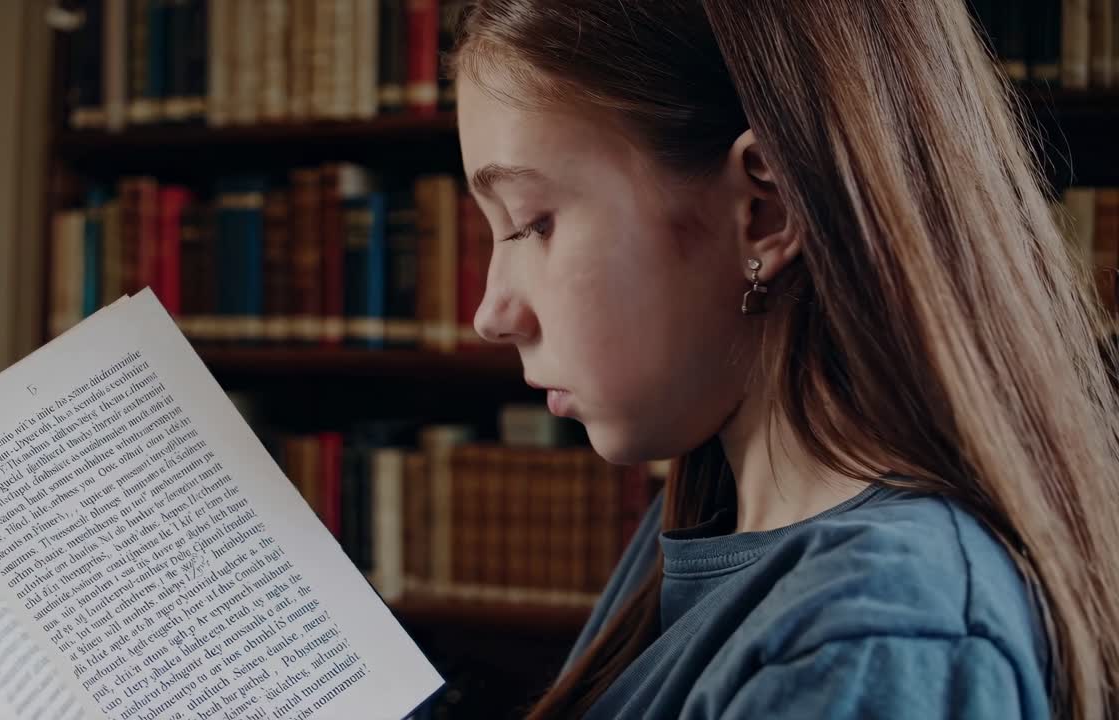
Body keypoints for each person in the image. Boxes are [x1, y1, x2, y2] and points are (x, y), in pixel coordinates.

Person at [451, 1, 1119, 719]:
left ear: (765, 212)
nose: (491, 314)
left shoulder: (874, 637)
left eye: (531, 223)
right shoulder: (718, 509)